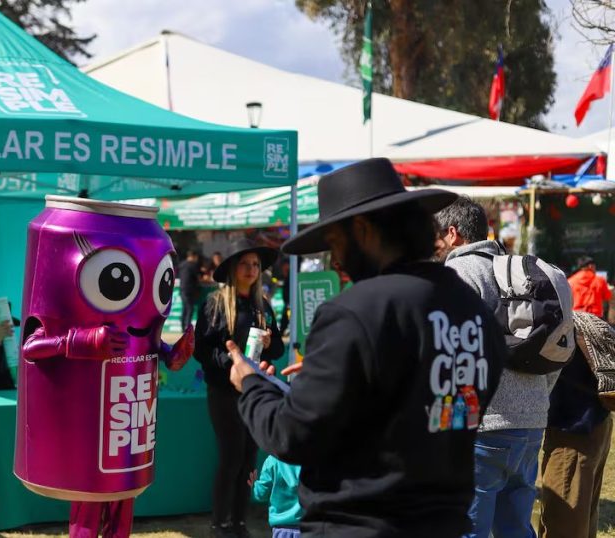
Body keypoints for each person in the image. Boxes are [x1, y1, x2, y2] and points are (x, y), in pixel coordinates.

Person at [230, 158, 506, 537]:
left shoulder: (355, 311)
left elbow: (292, 436)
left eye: (334, 243)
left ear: (362, 230)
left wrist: (252, 385)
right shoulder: (473, 310)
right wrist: (339, 378)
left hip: (359, 525)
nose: (337, 259)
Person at [435, 195, 560, 538]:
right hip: (531, 420)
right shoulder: (520, 271)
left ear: (453, 233)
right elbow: (555, 343)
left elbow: (449, 357)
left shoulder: (456, 273)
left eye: (437, 238)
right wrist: (537, 399)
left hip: (481, 427)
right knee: (516, 529)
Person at [194, 238, 284, 538]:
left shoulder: (262, 305)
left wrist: (271, 346)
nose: (251, 269)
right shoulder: (216, 303)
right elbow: (202, 350)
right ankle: (220, 523)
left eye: (256, 264)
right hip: (223, 391)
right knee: (232, 456)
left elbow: (276, 349)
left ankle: (239, 522)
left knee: (248, 458)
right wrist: (231, 362)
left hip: (254, 391)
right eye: (245, 264)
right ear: (233, 268)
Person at [538, 313, 612, 538]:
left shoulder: (550, 321)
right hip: (594, 423)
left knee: (564, 526)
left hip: (573, 433)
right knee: (582, 521)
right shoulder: (574, 319)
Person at [250, 453, 303, 538]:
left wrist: (255, 485)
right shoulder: (312, 460)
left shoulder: (271, 461)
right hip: (309, 528)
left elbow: (261, 495)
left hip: (281, 530)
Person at [177, 249, 201, 331]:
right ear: (194, 256)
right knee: (190, 308)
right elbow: (199, 278)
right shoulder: (193, 265)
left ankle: (183, 327)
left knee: (185, 308)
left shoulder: (182, 264)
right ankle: (187, 328)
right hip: (190, 289)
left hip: (182, 288)